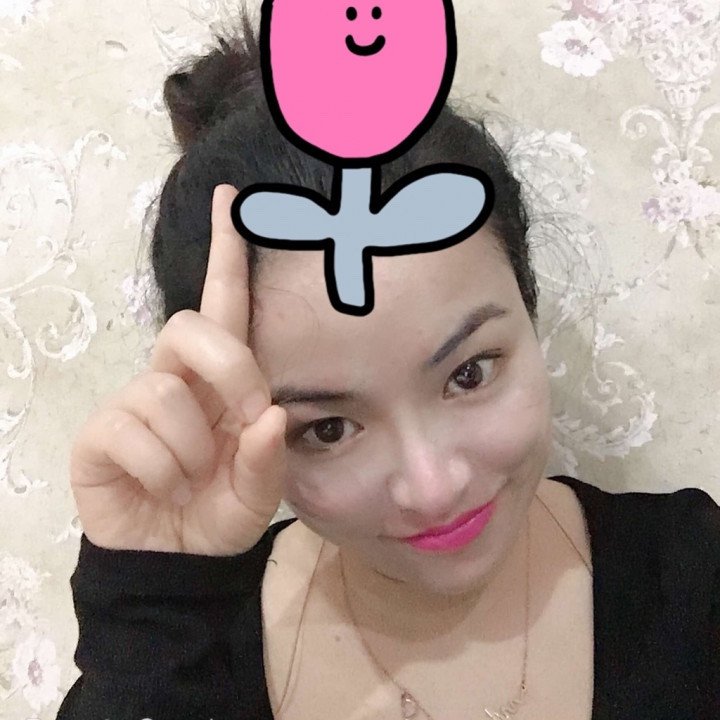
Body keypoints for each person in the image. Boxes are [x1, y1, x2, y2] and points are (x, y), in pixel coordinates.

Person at [57, 6, 719, 719]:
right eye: (327, 429)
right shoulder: (183, 646)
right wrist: (155, 592)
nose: (433, 489)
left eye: (469, 374)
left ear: (529, 307)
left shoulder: (691, 579)